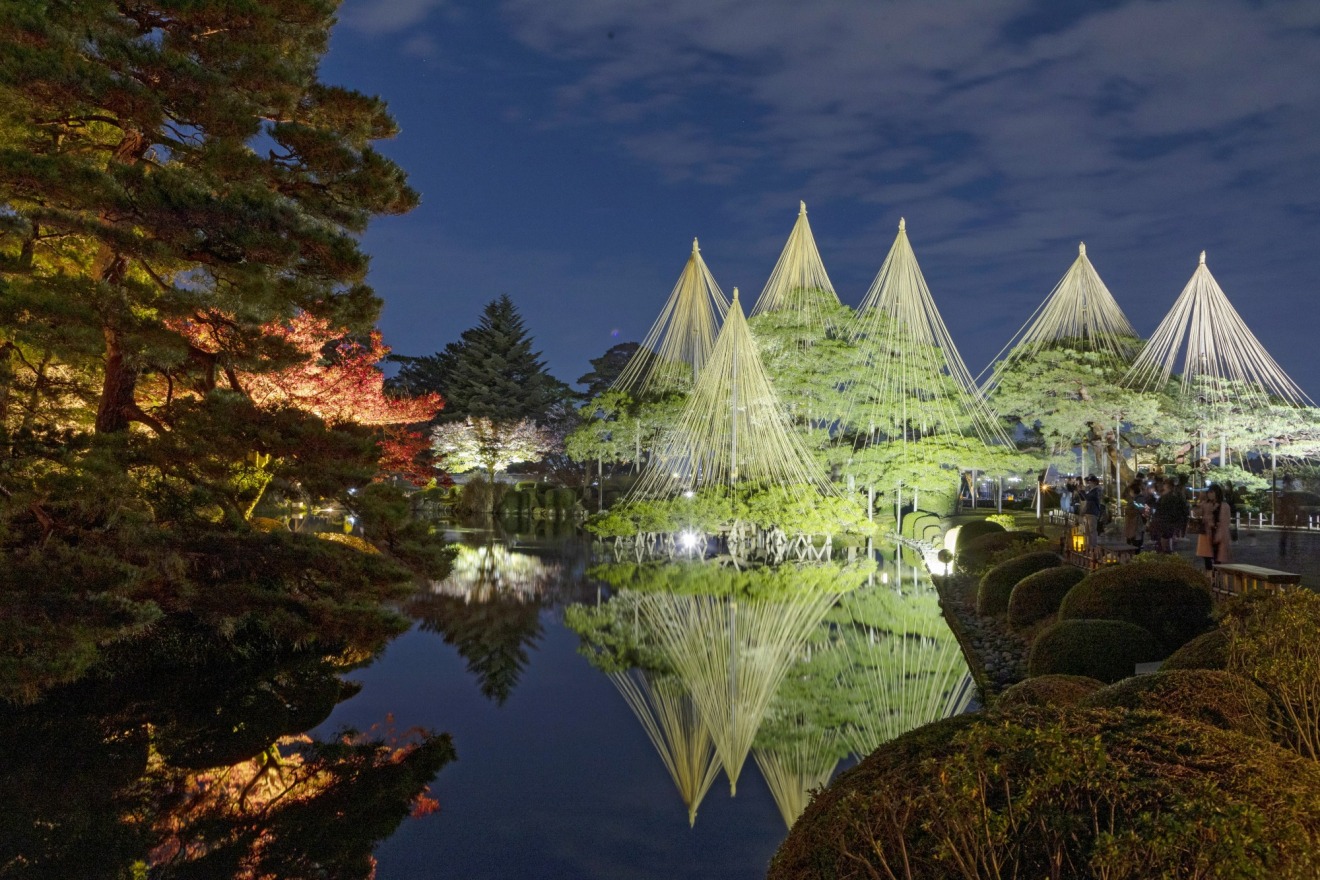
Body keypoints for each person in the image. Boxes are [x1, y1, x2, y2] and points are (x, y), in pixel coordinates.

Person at [1196, 484, 1233, 571]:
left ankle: (1216, 579)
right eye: (1208, 492)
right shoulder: (1205, 504)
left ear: (1217, 493)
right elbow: (1196, 513)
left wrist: (1220, 534)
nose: (1210, 494)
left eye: (1212, 492)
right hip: (1206, 533)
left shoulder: (1224, 506)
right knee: (1207, 558)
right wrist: (1200, 500)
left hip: (1218, 533)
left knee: (1217, 559)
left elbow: (1225, 522)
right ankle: (1210, 578)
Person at [1148, 477, 1190, 554]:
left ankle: (1167, 556)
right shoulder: (1177, 495)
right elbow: (1184, 508)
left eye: (1164, 485)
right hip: (1171, 521)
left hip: (1164, 521)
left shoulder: (1167, 497)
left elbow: (1159, 508)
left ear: (1167, 486)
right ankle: (1169, 555)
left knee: (1165, 540)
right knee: (1168, 539)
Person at [1122, 479, 1147, 551]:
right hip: (1132, 523)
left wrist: (1132, 506)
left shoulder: (1139, 499)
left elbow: (1141, 509)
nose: (1129, 493)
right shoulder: (1135, 499)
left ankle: (1136, 554)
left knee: (1136, 540)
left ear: (1133, 491)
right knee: (1132, 539)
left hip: (1136, 523)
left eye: (1130, 491)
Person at [1079, 475, 1102, 543]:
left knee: (1092, 530)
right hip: (1088, 511)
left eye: (1090, 482)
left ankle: (1093, 546)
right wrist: (1080, 491)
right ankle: (1088, 546)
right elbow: (1084, 498)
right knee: (1087, 531)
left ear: (1094, 482)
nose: (1089, 483)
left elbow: (1088, 498)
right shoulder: (1092, 490)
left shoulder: (1097, 490)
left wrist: (1082, 491)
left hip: (1093, 512)